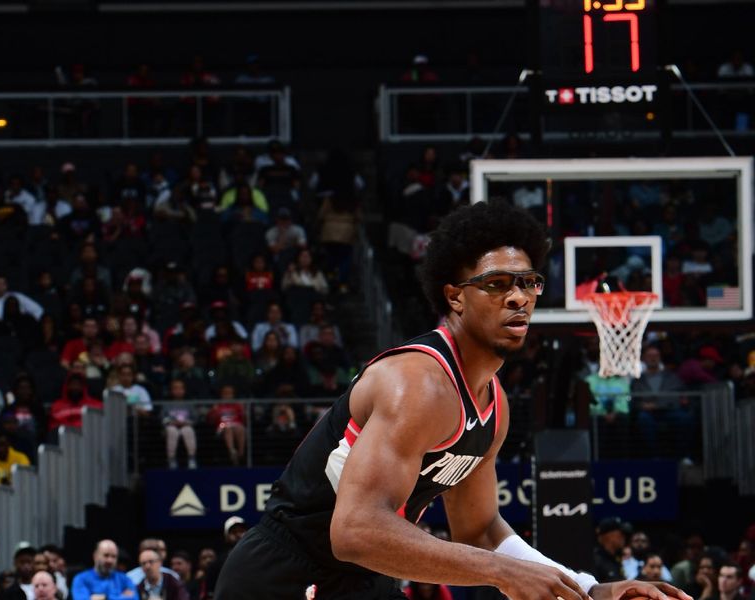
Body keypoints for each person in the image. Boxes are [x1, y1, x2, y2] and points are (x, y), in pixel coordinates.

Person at [214, 201, 691, 600]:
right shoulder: (416, 383)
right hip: (286, 574)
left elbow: (480, 528)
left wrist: (590, 589)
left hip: (362, 577)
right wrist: (501, 573)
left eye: (528, 283)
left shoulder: (494, 405)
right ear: (455, 297)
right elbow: (356, 529)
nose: (518, 298)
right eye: (497, 284)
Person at [71, 540, 137, 600]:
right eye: (106, 555)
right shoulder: (81, 579)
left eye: (114, 556)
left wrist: (105, 597)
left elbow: (134, 598)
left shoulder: (125, 579)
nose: (110, 560)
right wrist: (121, 597)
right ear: (95, 556)